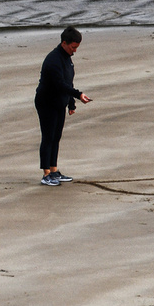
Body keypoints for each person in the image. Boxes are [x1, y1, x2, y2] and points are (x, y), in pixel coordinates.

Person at [35, 26, 92, 186]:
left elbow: (68, 81)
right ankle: (46, 174)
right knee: (48, 137)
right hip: (46, 102)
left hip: (59, 101)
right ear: (64, 43)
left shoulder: (67, 57)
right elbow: (60, 84)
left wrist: (71, 103)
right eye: (73, 47)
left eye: (76, 48)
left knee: (56, 137)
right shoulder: (53, 60)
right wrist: (79, 95)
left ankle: (54, 170)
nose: (74, 51)